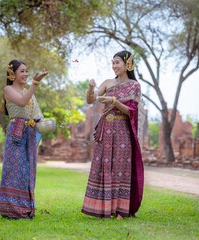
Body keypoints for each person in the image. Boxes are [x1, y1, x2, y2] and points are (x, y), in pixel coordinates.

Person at [81, 50, 144, 219]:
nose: (114, 66)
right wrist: (91, 88)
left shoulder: (134, 86)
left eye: (117, 62)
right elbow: (91, 99)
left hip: (122, 129)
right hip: (105, 129)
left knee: (120, 168)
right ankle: (102, 208)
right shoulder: (108, 83)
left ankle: (120, 210)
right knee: (104, 166)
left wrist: (115, 101)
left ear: (127, 64)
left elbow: (132, 111)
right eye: (113, 62)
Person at [0, 59, 48, 219]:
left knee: (28, 171)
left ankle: (26, 208)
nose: (26, 74)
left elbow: (38, 116)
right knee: (15, 170)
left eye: (27, 71)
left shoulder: (29, 92)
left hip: (30, 134)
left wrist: (47, 124)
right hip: (16, 133)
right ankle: (11, 209)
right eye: (22, 71)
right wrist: (35, 83)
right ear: (12, 74)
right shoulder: (8, 90)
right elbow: (21, 101)